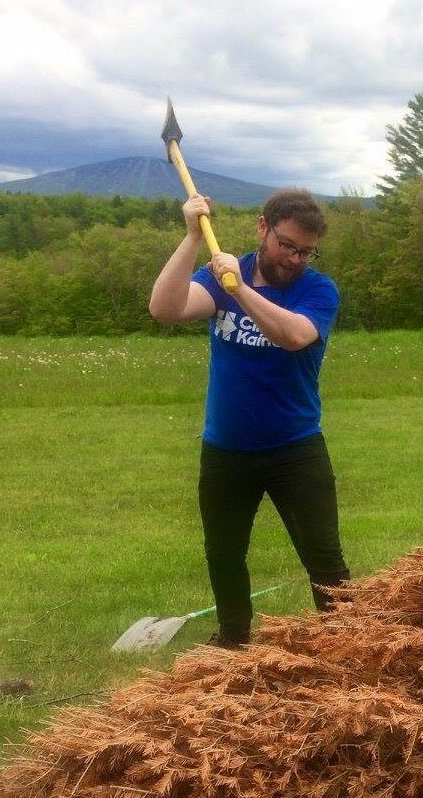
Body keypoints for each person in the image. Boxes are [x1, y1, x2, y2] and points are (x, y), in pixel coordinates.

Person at [149, 188, 349, 648]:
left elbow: (294, 335)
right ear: (263, 227)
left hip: (295, 448)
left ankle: (346, 645)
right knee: (223, 553)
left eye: (305, 251)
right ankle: (233, 639)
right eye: (287, 245)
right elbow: (165, 309)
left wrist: (240, 291)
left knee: (323, 557)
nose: (296, 258)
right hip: (226, 448)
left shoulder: (317, 289)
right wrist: (190, 240)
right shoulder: (221, 272)